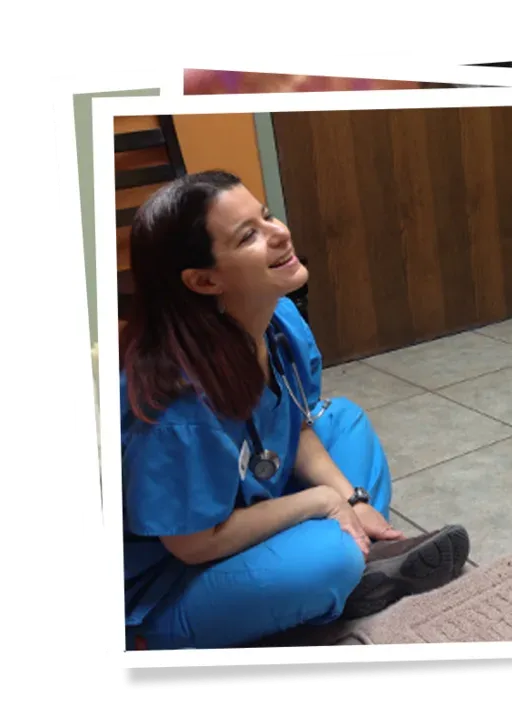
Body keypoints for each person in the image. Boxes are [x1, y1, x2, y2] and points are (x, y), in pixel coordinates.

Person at [119, 169, 470, 651]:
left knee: (344, 420)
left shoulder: (278, 319)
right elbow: (193, 544)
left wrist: (354, 501)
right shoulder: (174, 402)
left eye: (265, 216)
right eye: (250, 236)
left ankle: (357, 560)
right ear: (204, 280)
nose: (279, 232)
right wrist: (320, 502)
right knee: (330, 557)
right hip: (172, 584)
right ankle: (334, 576)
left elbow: (295, 423)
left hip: (246, 504)